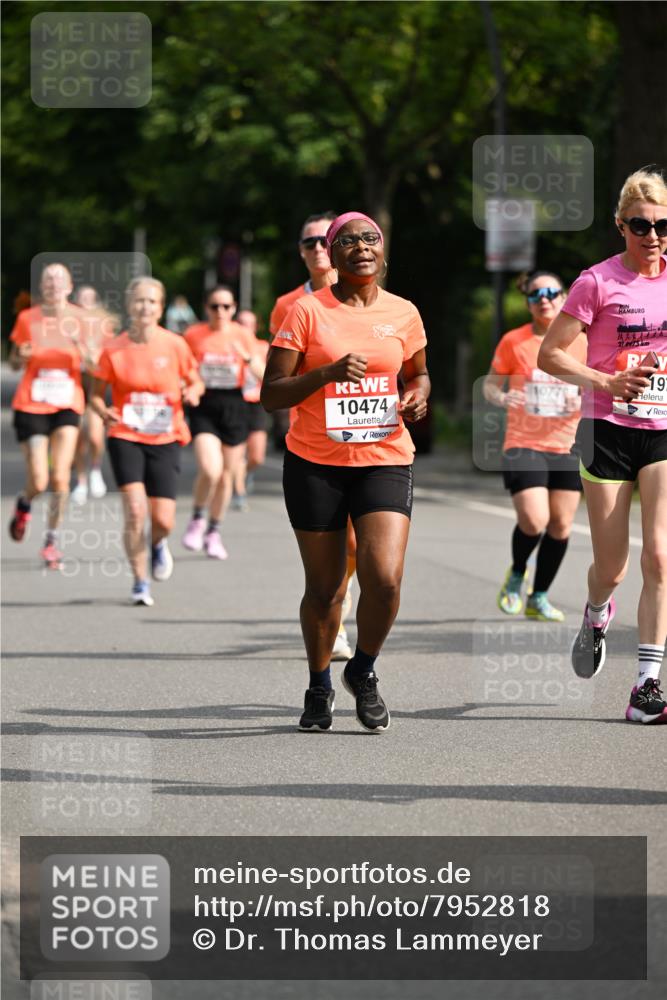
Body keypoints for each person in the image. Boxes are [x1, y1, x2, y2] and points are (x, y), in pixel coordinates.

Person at [261, 211, 430, 733]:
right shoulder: (307, 312)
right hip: (316, 463)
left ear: (382, 252)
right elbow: (271, 394)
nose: (361, 246)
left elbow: (419, 373)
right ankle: (318, 685)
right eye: (348, 240)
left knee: (384, 579)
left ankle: (363, 669)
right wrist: (328, 373)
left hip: (384, 456)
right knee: (328, 587)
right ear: (331, 257)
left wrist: (416, 396)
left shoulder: (404, 312)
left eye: (371, 239)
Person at [538, 167, 667, 724]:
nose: (653, 235)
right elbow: (551, 355)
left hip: (662, 427)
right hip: (605, 429)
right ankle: (595, 612)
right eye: (640, 224)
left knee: (660, 556)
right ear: (621, 225)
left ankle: (646, 687)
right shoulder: (596, 281)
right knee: (611, 567)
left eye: (663, 224)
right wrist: (607, 382)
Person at [271, 211, 356, 661]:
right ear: (302, 253)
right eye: (310, 243)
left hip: (368, 439)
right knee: (331, 546)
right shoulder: (289, 306)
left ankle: (341, 611)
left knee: (361, 545)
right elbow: (280, 375)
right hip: (314, 439)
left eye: (328, 239)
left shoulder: (369, 296)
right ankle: (334, 619)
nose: (320, 248)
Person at [90, 277, 204, 606]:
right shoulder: (113, 348)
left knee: (163, 520)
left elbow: (194, 380)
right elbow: (95, 396)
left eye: (152, 302)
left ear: (161, 307)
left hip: (166, 435)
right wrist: (103, 411)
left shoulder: (175, 344)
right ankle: (140, 581)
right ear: (129, 306)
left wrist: (191, 392)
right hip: (126, 434)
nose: (145, 307)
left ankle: (157, 544)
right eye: (139, 301)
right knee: (136, 512)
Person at [483, 270, 586, 621]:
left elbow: (600, 384)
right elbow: (490, 386)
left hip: (568, 445)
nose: (543, 299)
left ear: (564, 297)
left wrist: (584, 399)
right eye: (535, 295)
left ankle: (538, 596)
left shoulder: (584, 342)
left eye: (551, 293)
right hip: (524, 442)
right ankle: (516, 575)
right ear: (527, 302)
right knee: (534, 518)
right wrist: (503, 397)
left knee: (560, 526)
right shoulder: (514, 341)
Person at [8, 263, 87, 569]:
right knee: (39, 480)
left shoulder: (81, 319)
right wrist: (21, 355)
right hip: (32, 403)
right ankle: (25, 502)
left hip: (67, 403)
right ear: (43, 287)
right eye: (48, 280)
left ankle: (52, 540)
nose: (54, 284)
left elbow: (94, 364)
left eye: (59, 280)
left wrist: (85, 349)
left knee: (60, 476)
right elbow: (16, 362)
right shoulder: (29, 318)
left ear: (68, 287)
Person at [181, 286, 263, 559]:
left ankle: (214, 531)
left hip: (235, 405)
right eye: (215, 306)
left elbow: (262, 374)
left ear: (234, 308)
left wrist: (247, 357)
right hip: (205, 404)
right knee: (210, 469)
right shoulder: (194, 335)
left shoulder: (243, 335)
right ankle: (196, 518)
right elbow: (183, 370)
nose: (221, 312)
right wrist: (189, 388)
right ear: (206, 308)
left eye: (226, 307)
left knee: (227, 475)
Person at [71, 285, 115, 504]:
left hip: (95, 388)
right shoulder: (66, 325)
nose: (85, 302)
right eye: (81, 298)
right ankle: (81, 481)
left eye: (90, 298)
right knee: (78, 437)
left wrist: (89, 355)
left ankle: (95, 469)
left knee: (96, 436)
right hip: (73, 387)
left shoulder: (104, 326)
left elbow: (106, 358)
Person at [231, 309, 269, 511]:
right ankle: (239, 493)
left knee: (257, 456)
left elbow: (267, 378)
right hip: (236, 401)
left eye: (249, 323)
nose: (244, 327)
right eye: (240, 323)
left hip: (256, 403)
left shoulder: (262, 347)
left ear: (255, 327)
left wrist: (246, 357)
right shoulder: (228, 345)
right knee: (237, 454)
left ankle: (245, 474)